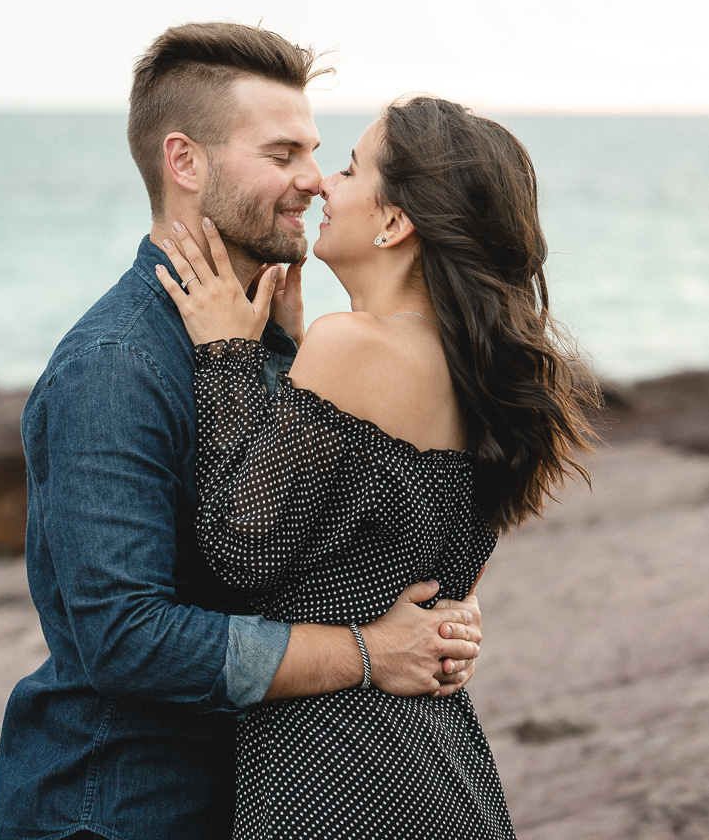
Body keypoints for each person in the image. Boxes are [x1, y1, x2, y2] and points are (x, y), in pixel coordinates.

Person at [0, 24, 484, 840]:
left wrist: (440, 619)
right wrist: (369, 651)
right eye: (282, 153)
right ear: (185, 163)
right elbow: (125, 639)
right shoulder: (115, 366)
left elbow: (325, 546)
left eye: (319, 153)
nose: (315, 181)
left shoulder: (283, 347)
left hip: (260, 794)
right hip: (122, 808)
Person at [154, 94, 600, 839]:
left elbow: (239, 550)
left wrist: (227, 357)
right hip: (438, 760)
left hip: (336, 768)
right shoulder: (475, 373)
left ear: (394, 223)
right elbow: (423, 572)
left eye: (351, 168)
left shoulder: (353, 345)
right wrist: (291, 366)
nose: (325, 183)